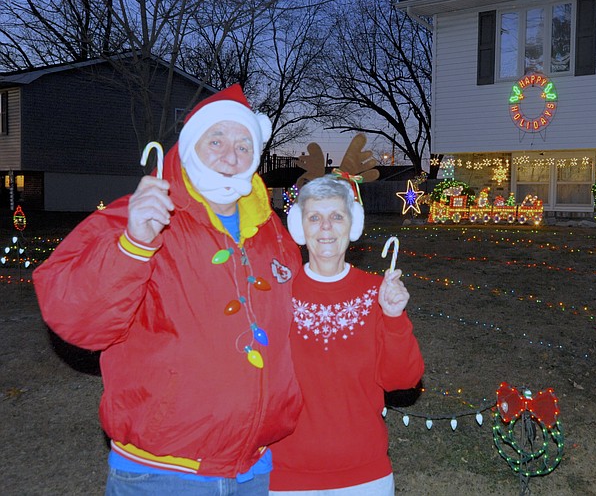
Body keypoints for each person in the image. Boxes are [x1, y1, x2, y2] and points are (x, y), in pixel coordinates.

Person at [33, 84, 303, 495]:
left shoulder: (272, 232)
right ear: (191, 145)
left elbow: (296, 328)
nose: (231, 156)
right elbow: (76, 316)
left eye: (244, 145)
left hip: (254, 468)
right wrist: (134, 245)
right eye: (217, 141)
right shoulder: (142, 213)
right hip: (163, 474)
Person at [269, 174, 425, 495]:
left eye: (337, 216)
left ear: (352, 226)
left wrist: (394, 317)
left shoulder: (376, 293)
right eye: (314, 217)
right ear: (299, 228)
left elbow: (402, 380)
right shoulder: (277, 293)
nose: (326, 227)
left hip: (365, 476)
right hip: (287, 477)